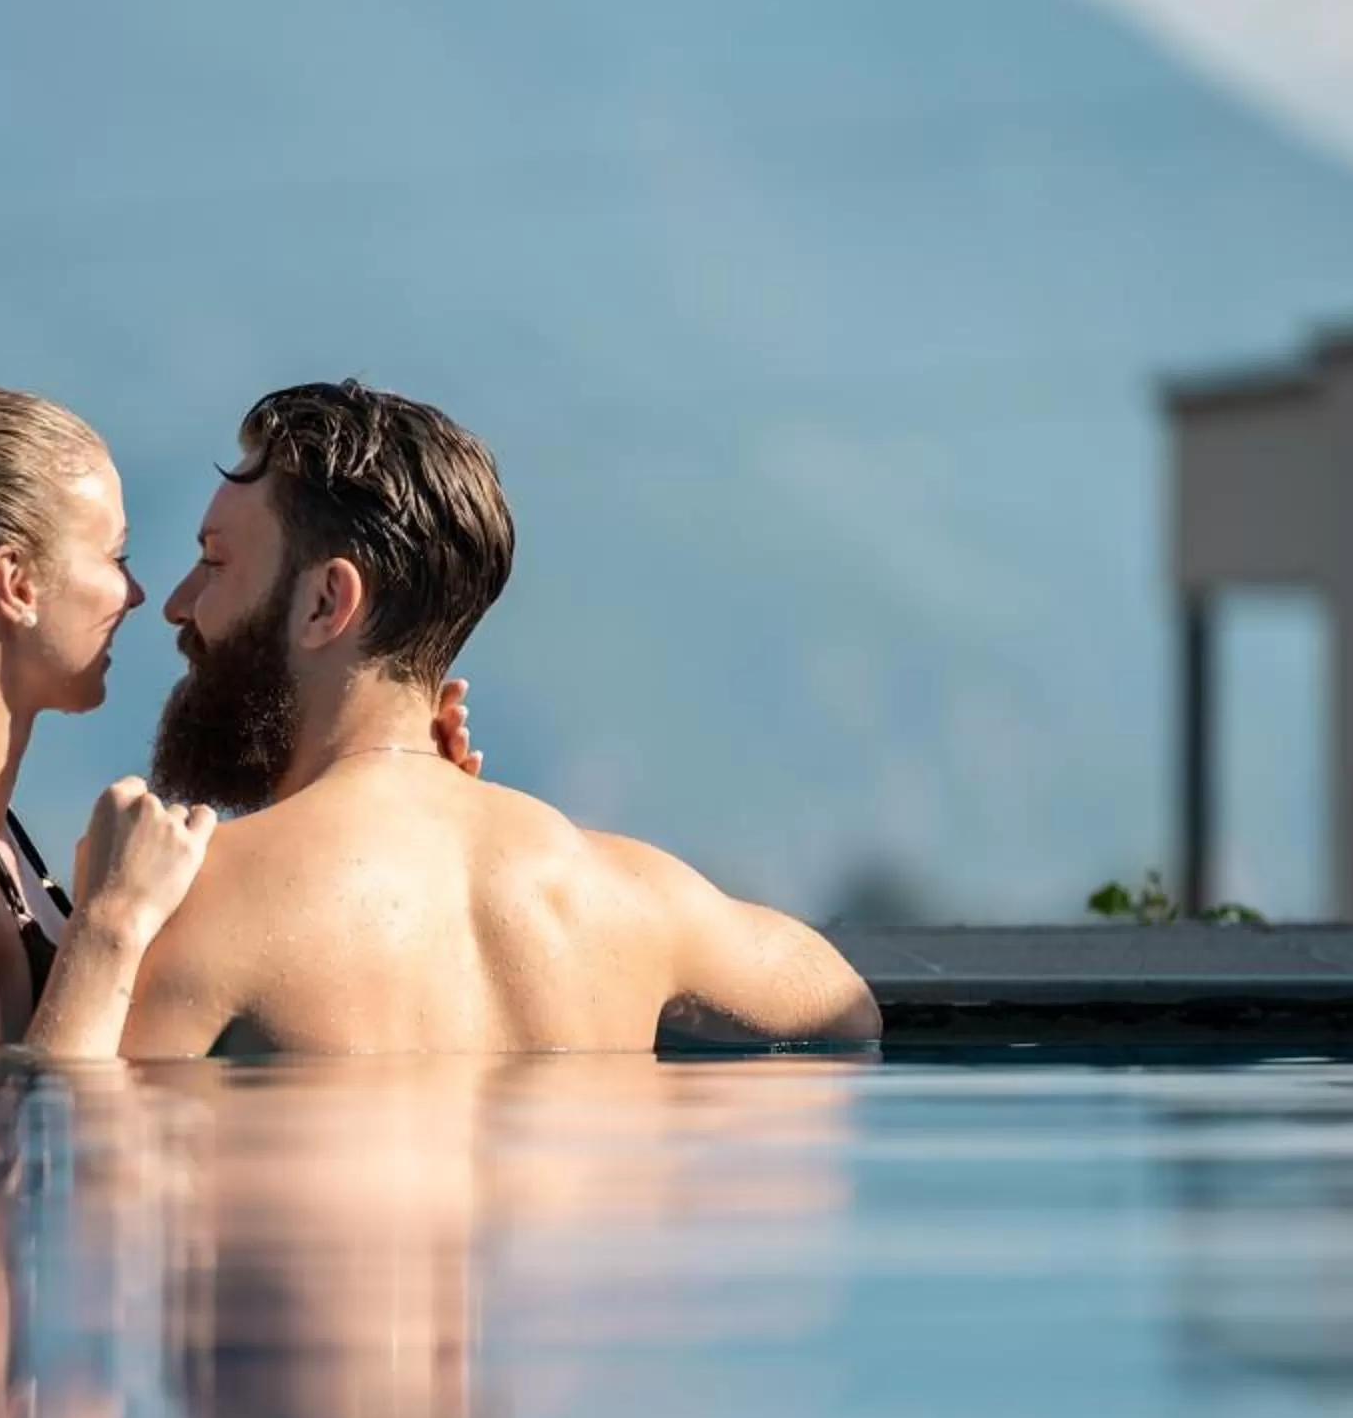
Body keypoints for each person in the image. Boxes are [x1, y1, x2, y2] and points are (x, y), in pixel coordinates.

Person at [45, 381, 883, 1057]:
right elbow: (847, 1009)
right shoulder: (624, 897)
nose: (180, 604)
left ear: (325, 602)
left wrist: (106, 926)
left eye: (214, 562)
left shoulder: (201, 898)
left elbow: (54, 1166)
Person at [0, 384, 473, 1047]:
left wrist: (401, 804)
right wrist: (108, 925)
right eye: (115, 555)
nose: (138, 594)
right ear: (16, 583)